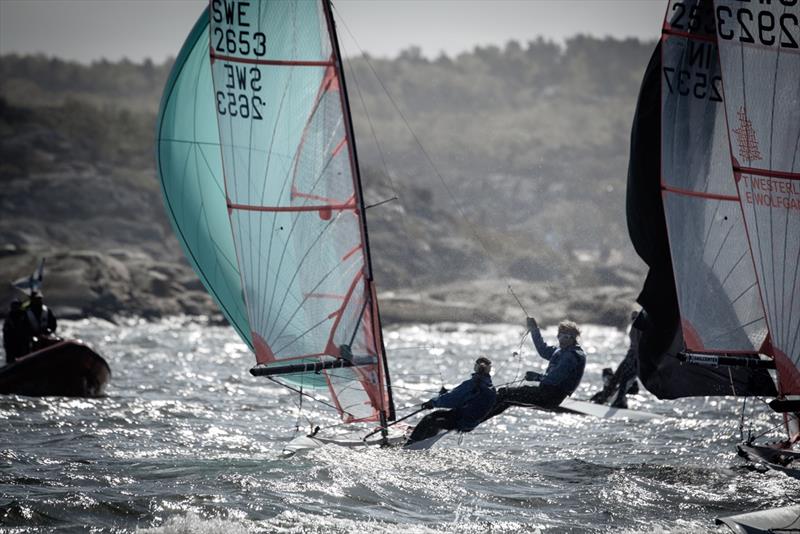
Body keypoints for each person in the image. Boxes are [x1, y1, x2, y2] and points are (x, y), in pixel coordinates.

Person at [482, 317, 586, 420]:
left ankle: (474, 419)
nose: (562, 340)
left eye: (567, 337)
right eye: (560, 336)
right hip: (545, 394)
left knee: (504, 393)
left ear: (573, 338)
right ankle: (476, 420)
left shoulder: (572, 356)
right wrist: (534, 329)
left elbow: (554, 379)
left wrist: (536, 377)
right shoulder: (562, 351)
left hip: (550, 397)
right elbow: (543, 350)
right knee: (507, 398)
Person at [405, 357, 496, 445]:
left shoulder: (472, 384)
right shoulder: (491, 388)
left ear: (475, 367)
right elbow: (464, 398)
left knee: (429, 419)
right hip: (471, 422)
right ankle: (421, 440)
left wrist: (432, 403)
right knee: (437, 414)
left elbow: (453, 399)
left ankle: (412, 443)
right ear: (489, 370)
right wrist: (445, 395)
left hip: (461, 421)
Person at [590, 310, 644, 409]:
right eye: (633, 318)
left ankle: (619, 401)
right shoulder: (633, 329)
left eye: (636, 318)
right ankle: (604, 398)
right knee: (616, 378)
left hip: (637, 358)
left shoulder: (643, 330)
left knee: (624, 380)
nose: (634, 320)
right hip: (629, 356)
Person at [2, 299, 31, 364]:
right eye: (13, 306)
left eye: (16, 306)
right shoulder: (9, 317)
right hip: (11, 345)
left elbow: (28, 329)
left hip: (23, 344)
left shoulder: (24, 315)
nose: (14, 307)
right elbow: (6, 332)